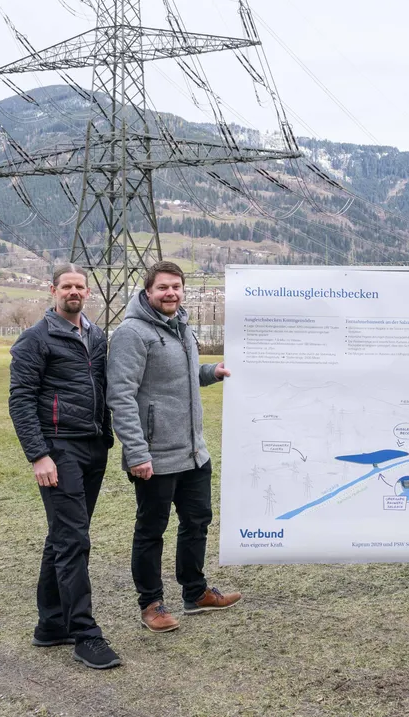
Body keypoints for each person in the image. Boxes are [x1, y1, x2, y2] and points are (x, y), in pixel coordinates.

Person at [106, 260, 240, 633]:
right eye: (163, 287)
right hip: (155, 455)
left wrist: (211, 372)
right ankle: (151, 604)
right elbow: (120, 395)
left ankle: (195, 593)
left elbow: (181, 377)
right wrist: (136, 452)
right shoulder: (132, 333)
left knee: (196, 523)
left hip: (193, 452)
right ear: (148, 291)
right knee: (151, 530)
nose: (171, 293)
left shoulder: (181, 327)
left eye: (176, 287)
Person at [7, 265, 121, 670]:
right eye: (66, 286)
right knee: (73, 540)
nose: (74, 292)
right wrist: (38, 454)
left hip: (93, 446)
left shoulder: (96, 336)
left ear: (87, 292)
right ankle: (85, 635)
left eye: (80, 286)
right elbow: (20, 400)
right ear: (53, 290)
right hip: (59, 449)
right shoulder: (34, 340)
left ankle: (51, 625)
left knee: (64, 535)